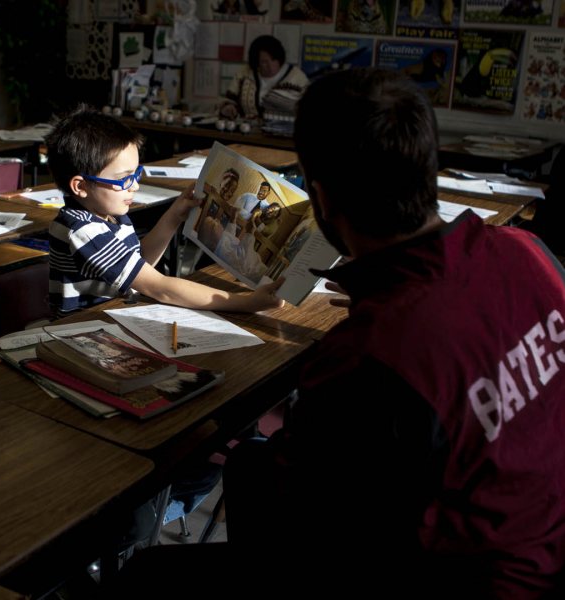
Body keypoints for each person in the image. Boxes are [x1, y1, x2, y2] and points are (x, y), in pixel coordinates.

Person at [109, 67, 565, 598]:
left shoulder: (374, 353)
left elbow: (295, 529)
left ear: (321, 201)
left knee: (145, 577)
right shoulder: (528, 254)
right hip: (542, 549)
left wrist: (243, 454)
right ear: (427, 171)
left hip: (465, 577)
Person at [44, 105, 285, 317]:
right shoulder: (83, 230)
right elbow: (159, 286)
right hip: (81, 330)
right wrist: (246, 302)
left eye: (135, 174)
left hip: (114, 317)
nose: (135, 186)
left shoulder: (111, 214)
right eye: (124, 179)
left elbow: (140, 263)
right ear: (81, 186)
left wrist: (174, 215)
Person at [220, 35, 309, 120]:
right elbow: (229, 99)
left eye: (274, 60)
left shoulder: (297, 77)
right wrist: (228, 107)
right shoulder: (244, 74)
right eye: (264, 62)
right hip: (247, 131)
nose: (270, 66)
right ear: (256, 62)